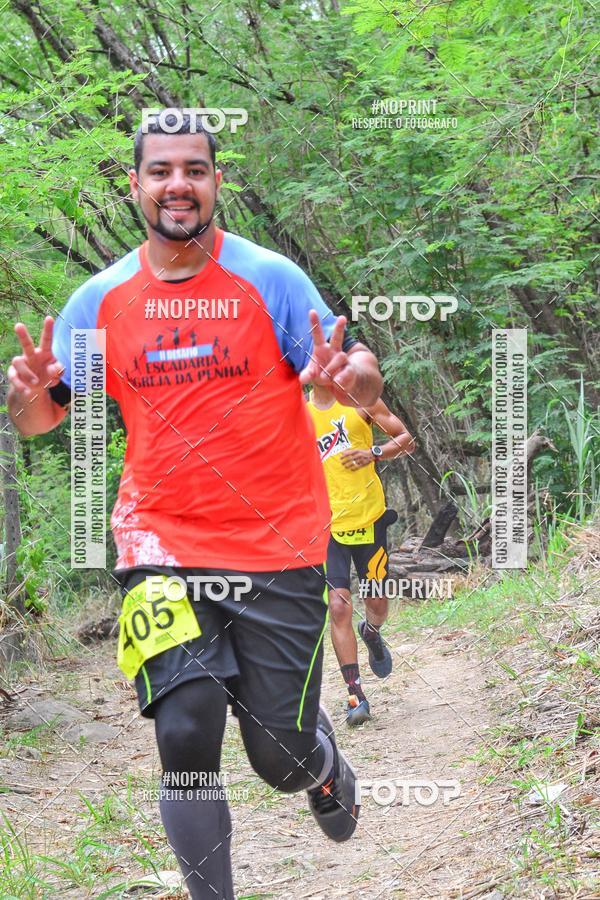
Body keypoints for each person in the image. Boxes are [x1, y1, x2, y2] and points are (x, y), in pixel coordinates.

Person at [6, 111, 384, 899]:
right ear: (136, 185)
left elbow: (354, 371)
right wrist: (27, 395)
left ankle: (318, 763)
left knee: (278, 758)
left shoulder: (269, 279)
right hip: (158, 542)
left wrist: (350, 379)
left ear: (217, 183)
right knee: (184, 733)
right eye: (161, 170)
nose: (178, 184)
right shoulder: (101, 300)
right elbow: (44, 418)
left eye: (195, 170)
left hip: (278, 543)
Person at [307, 385, 414, 725]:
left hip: (369, 520)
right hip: (326, 527)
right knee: (338, 605)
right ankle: (355, 695)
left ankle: (371, 630)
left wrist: (374, 452)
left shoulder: (362, 400)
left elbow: (406, 440)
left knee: (377, 601)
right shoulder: (297, 415)